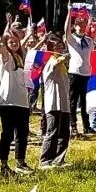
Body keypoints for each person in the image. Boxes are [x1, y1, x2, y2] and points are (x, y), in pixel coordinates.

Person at [0, 26, 38, 175]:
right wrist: (6, 29)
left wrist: (30, 33)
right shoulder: (5, 57)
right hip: (8, 101)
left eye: (15, 41)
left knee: (22, 133)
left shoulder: (20, 57)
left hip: (22, 101)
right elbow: (2, 47)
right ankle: (3, 165)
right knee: (7, 133)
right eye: (10, 42)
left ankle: (21, 162)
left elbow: (23, 44)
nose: (14, 43)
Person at [38, 34, 72, 168]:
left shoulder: (63, 65)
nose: (60, 50)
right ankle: (45, 160)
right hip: (53, 103)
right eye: (57, 47)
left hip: (64, 103)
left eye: (61, 47)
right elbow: (55, 63)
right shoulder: (50, 62)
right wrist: (63, 57)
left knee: (64, 132)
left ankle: (59, 159)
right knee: (52, 131)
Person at [65, 22, 93, 134]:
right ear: (75, 27)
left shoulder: (89, 41)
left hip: (87, 73)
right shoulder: (72, 39)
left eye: (83, 26)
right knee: (73, 101)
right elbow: (66, 30)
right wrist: (69, 13)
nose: (81, 28)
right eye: (79, 25)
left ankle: (87, 125)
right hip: (74, 73)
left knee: (85, 101)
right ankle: (73, 125)